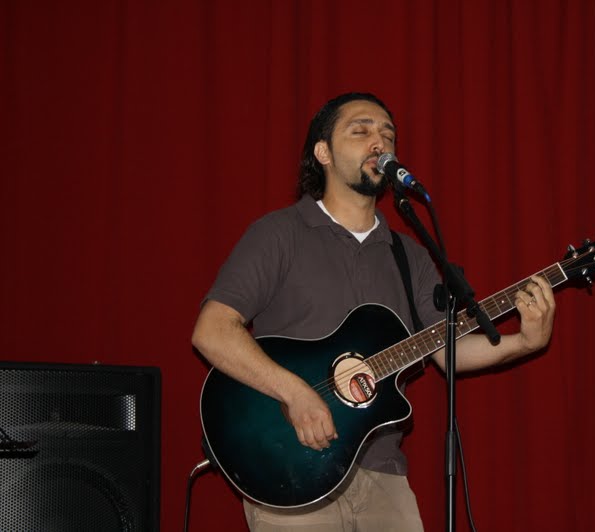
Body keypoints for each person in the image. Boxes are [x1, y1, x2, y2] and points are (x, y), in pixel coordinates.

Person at [191, 92, 556, 531]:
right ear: (323, 152)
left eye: (387, 134)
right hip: (290, 468)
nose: (379, 142)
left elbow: (446, 351)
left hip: (384, 474)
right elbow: (212, 331)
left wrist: (525, 341)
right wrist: (296, 393)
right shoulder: (279, 234)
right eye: (360, 131)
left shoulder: (409, 255)